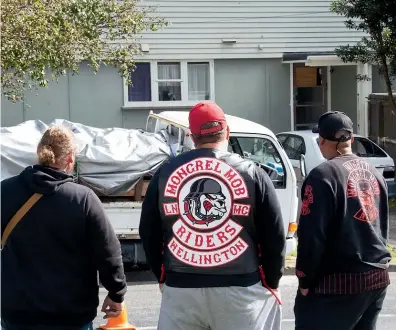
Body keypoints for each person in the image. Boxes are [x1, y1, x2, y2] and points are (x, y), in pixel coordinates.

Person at [139, 101, 286, 330]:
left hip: (181, 288)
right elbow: (274, 235)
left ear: (191, 136)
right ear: (227, 131)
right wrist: (272, 280)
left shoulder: (164, 173)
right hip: (241, 288)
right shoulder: (252, 172)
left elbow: (148, 231)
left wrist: (162, 275)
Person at [1, 126, 127, 330]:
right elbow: (108, 252)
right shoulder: (82, 199)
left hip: (18, 313)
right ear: (70, 159)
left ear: (39, 152)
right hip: (70, 315)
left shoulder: (5, 192)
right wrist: (116, 293)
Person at [294, 111, 392, 330]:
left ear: (321, 140)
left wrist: (304, 279)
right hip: (376, 276)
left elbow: (311, 235)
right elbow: (381, 223)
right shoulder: (374, 172)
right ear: (352, 140)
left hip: (338, 283)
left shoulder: (322, 176)